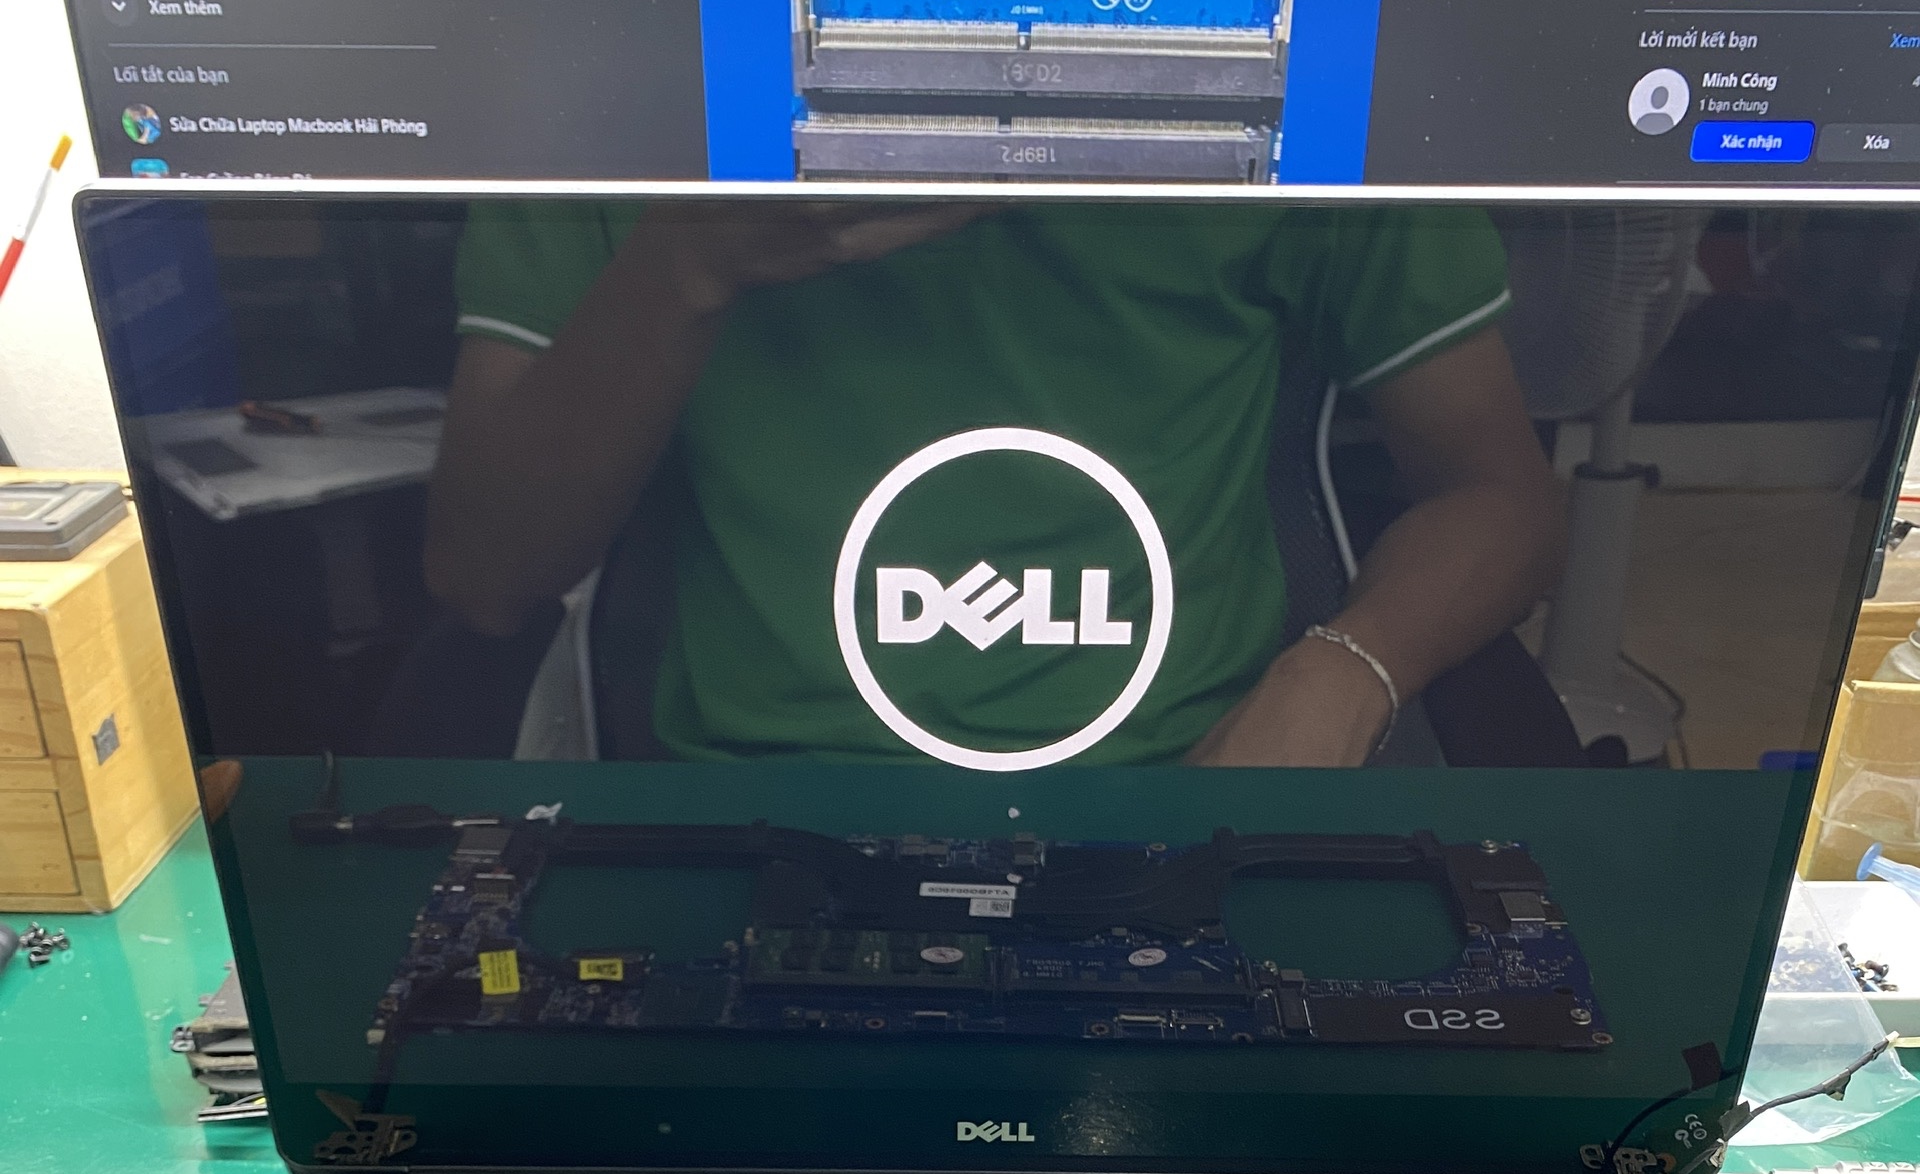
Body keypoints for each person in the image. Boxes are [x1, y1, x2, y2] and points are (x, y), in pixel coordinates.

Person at [424, 199, 1565, 768]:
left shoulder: (1291, 49)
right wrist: (687, 259)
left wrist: (1348, 671)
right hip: (756, 818)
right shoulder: (619, 76)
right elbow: (486, 576)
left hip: (1188, 801)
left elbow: (1500, 496)